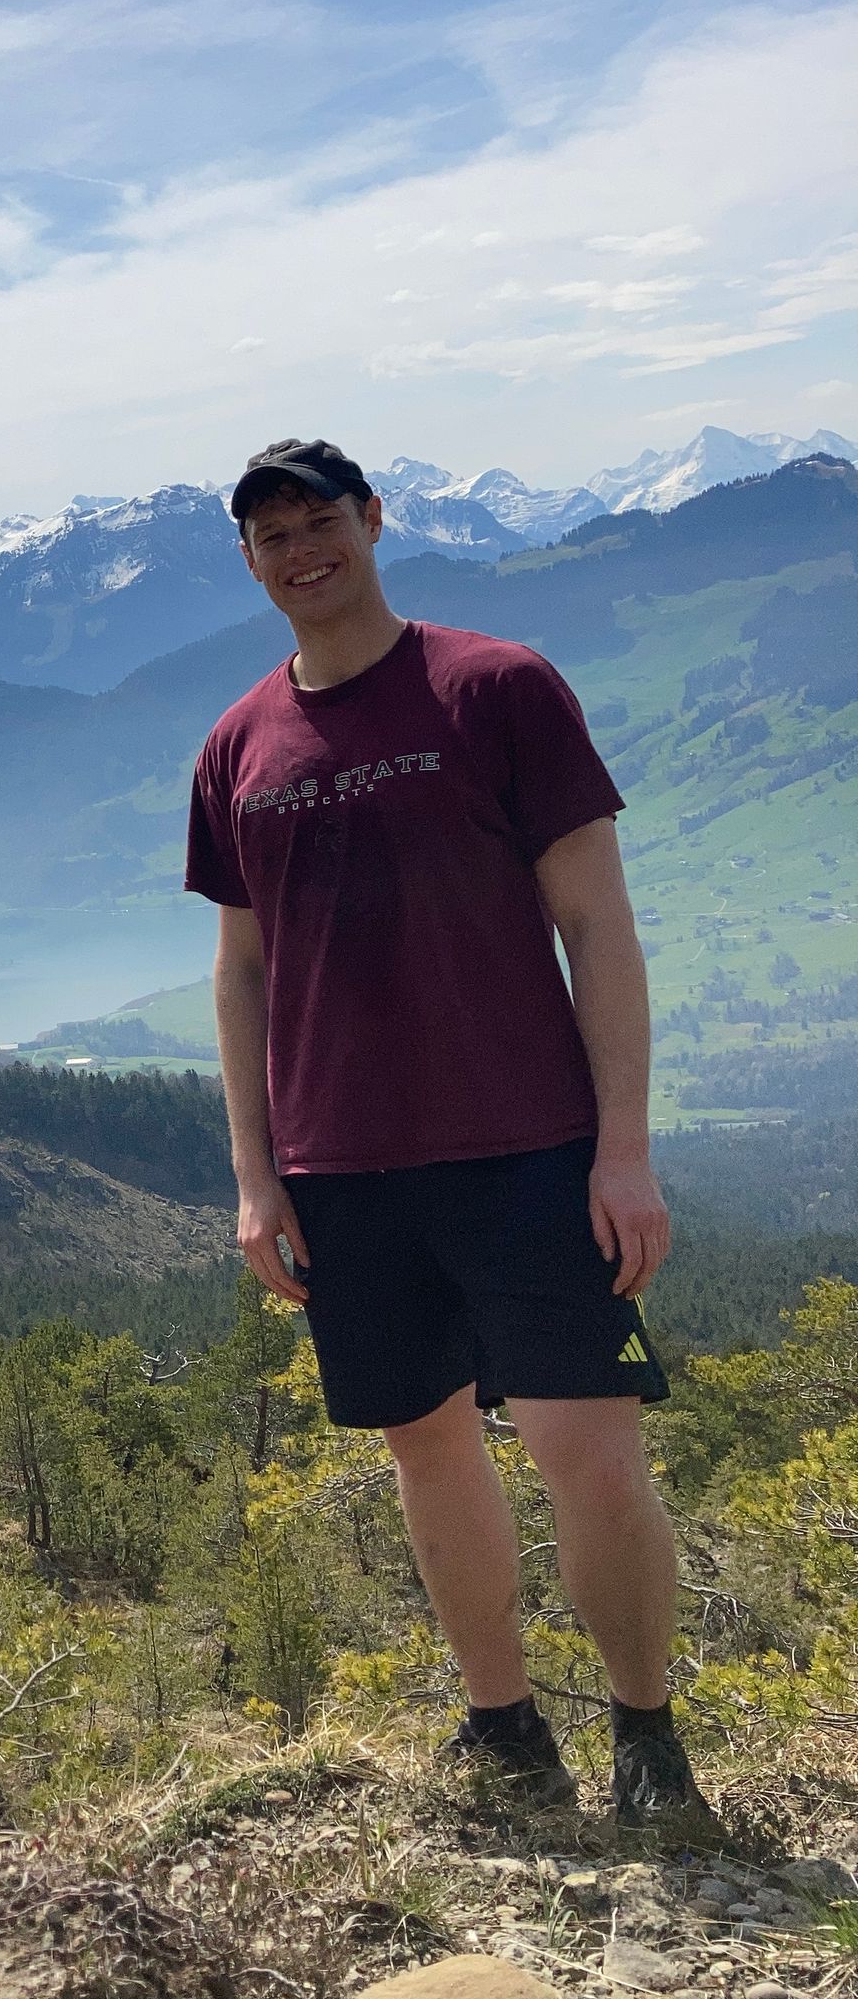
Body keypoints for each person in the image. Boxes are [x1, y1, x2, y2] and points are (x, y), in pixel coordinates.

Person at [186, 436, 715, 1831]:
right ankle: (504, 1725)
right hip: (341, 1167)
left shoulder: (497, 688)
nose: (300, 551)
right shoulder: (238, 745)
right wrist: (255, 1176)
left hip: (529, 1143)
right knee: (425, 1446)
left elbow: (595, 922)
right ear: (246, 560)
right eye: (269, 535)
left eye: (319, 521)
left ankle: (648, 1738)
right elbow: (241, 974)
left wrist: (623, 1146)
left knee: (587, 1447)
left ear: (373, 520)